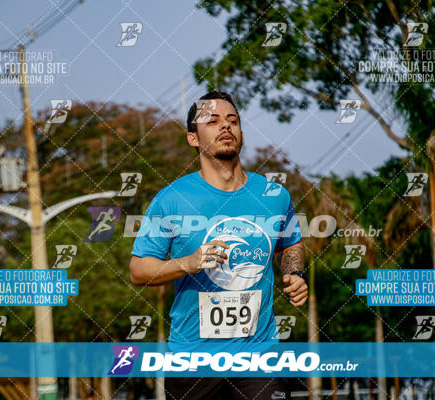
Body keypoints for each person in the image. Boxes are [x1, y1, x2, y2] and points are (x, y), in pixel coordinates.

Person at [129, 91, 307, 400]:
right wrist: (189, 262)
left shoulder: (274, 196)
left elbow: (290, 244)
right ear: (193, 139)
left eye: (232, 120)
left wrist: (295, 274)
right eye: (212, 121)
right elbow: (139, 270)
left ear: (241, 133)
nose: (225, 126)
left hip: (259, 356)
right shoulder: (171, 199)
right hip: (193, 360)